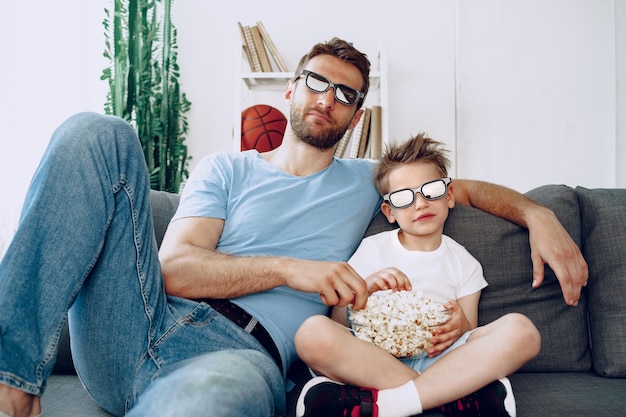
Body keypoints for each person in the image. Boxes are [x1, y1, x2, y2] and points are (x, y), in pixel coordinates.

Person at [0, 37, 587, 417]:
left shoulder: (371, 185)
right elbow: (175, 270)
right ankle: (12, 380)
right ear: (290, 88)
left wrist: (539, 213)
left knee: (205, 404)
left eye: (346, 94)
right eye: (316, 81)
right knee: (97, 133)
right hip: (136, 321)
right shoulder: (225, 168)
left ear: (356, 117)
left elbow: (457, 189)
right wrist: (291, 269)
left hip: (240, 353)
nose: (328, 97)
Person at [294, 133, 540, 417]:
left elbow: (469, 330)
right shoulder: (373, 249)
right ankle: (448, 397)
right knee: (311, 333)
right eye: (403, 197)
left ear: (448, 196)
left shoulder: (465, 262)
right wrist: (365, 288)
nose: (420, 204)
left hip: (439, 358)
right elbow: (340, 322)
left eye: (431, 190)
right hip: (373, 357)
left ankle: (383, 403)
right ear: (389, 211)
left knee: (522, 331)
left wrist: (458, 325)